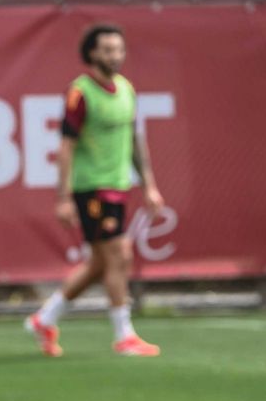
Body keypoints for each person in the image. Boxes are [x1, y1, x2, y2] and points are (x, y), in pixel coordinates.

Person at [26, 24, 166, 357]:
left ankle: (45, 319)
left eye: (119, 49)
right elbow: (65, 147)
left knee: (102, 265)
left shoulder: (127, 89)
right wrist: (63, 198)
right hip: (91, 189)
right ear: (92, 54)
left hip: (120, 187)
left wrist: (149, 185)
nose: (115, 55)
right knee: (120, 255)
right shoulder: (81, 93)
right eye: (107, 50)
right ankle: (124, 336)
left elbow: (135, 140)